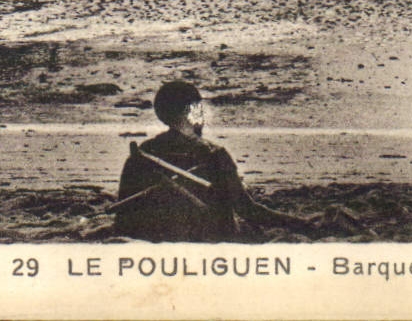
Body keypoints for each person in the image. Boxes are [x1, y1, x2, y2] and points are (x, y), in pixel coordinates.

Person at [113, 81, 305, 242]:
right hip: (209, 237)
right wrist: (300, 224)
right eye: (200, 109)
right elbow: (247, 209)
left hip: (158, 237)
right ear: (192, 111)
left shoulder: (143, 154)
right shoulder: (214, 154)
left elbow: (124, 216)